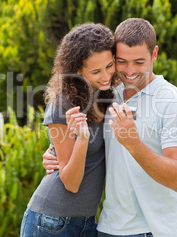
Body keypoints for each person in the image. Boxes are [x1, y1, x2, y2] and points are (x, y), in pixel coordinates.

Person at [43, 18, 177, 236]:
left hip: (151, 230)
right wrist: (55, 153)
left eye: (139, 62)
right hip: (108, 227)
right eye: (121, 61)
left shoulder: (174, 103)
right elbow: (84, 140)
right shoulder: (107, 95)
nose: (129, 71)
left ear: (154, 54)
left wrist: (134, 144)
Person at [20, 23, 119, 237]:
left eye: (109, 65)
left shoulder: (104, 94)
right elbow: (71, 183)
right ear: (77, 71)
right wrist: (82, 139)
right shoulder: (62, 106)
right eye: (95, 71)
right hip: (51, 221)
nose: (105, 76)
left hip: (87, 221)